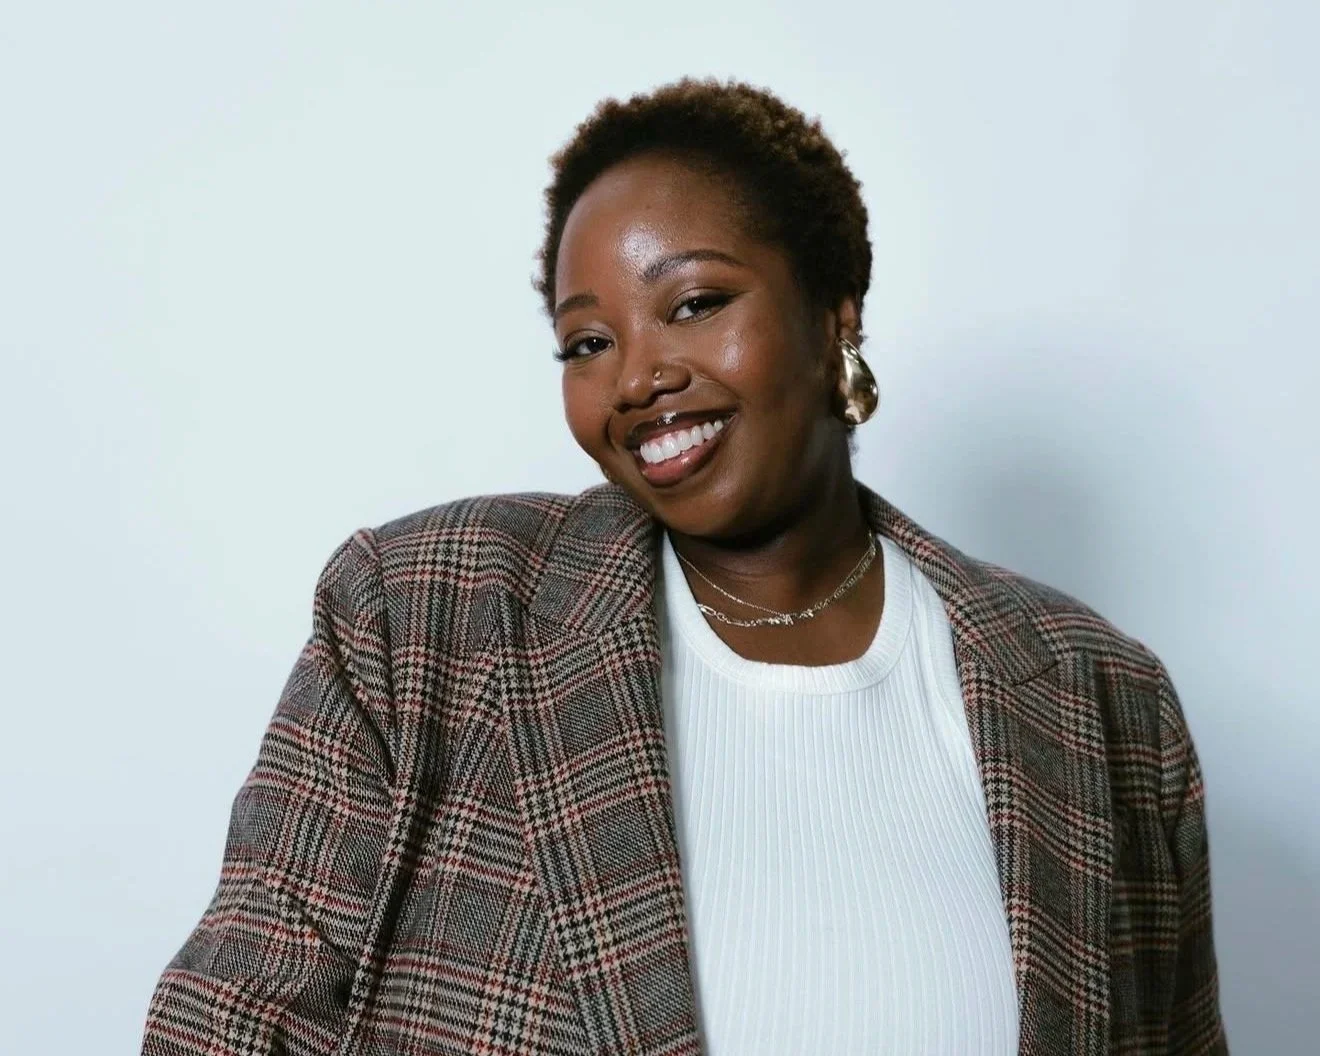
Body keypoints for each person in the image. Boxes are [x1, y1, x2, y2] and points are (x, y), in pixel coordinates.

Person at [141, 79, 1227, 1055]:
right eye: (587, 342)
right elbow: (229, 1029)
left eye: (696, 303)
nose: (637, 377)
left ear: (833, 314)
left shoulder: (1100, 700)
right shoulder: (426, 616)